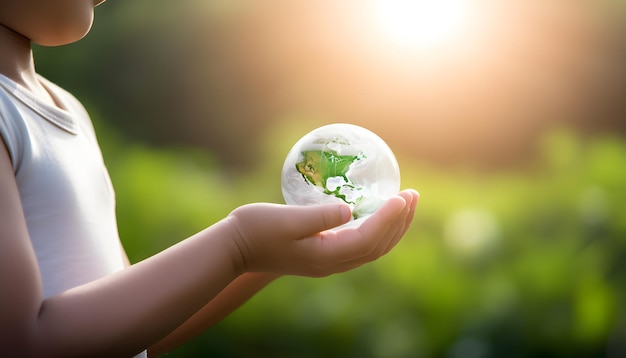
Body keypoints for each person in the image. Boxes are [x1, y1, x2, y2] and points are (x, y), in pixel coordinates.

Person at [0, 0, 419, 357]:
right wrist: (237, 246)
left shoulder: (67, 110)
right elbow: (22, 343)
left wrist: (267, 260)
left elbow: (136, 328)